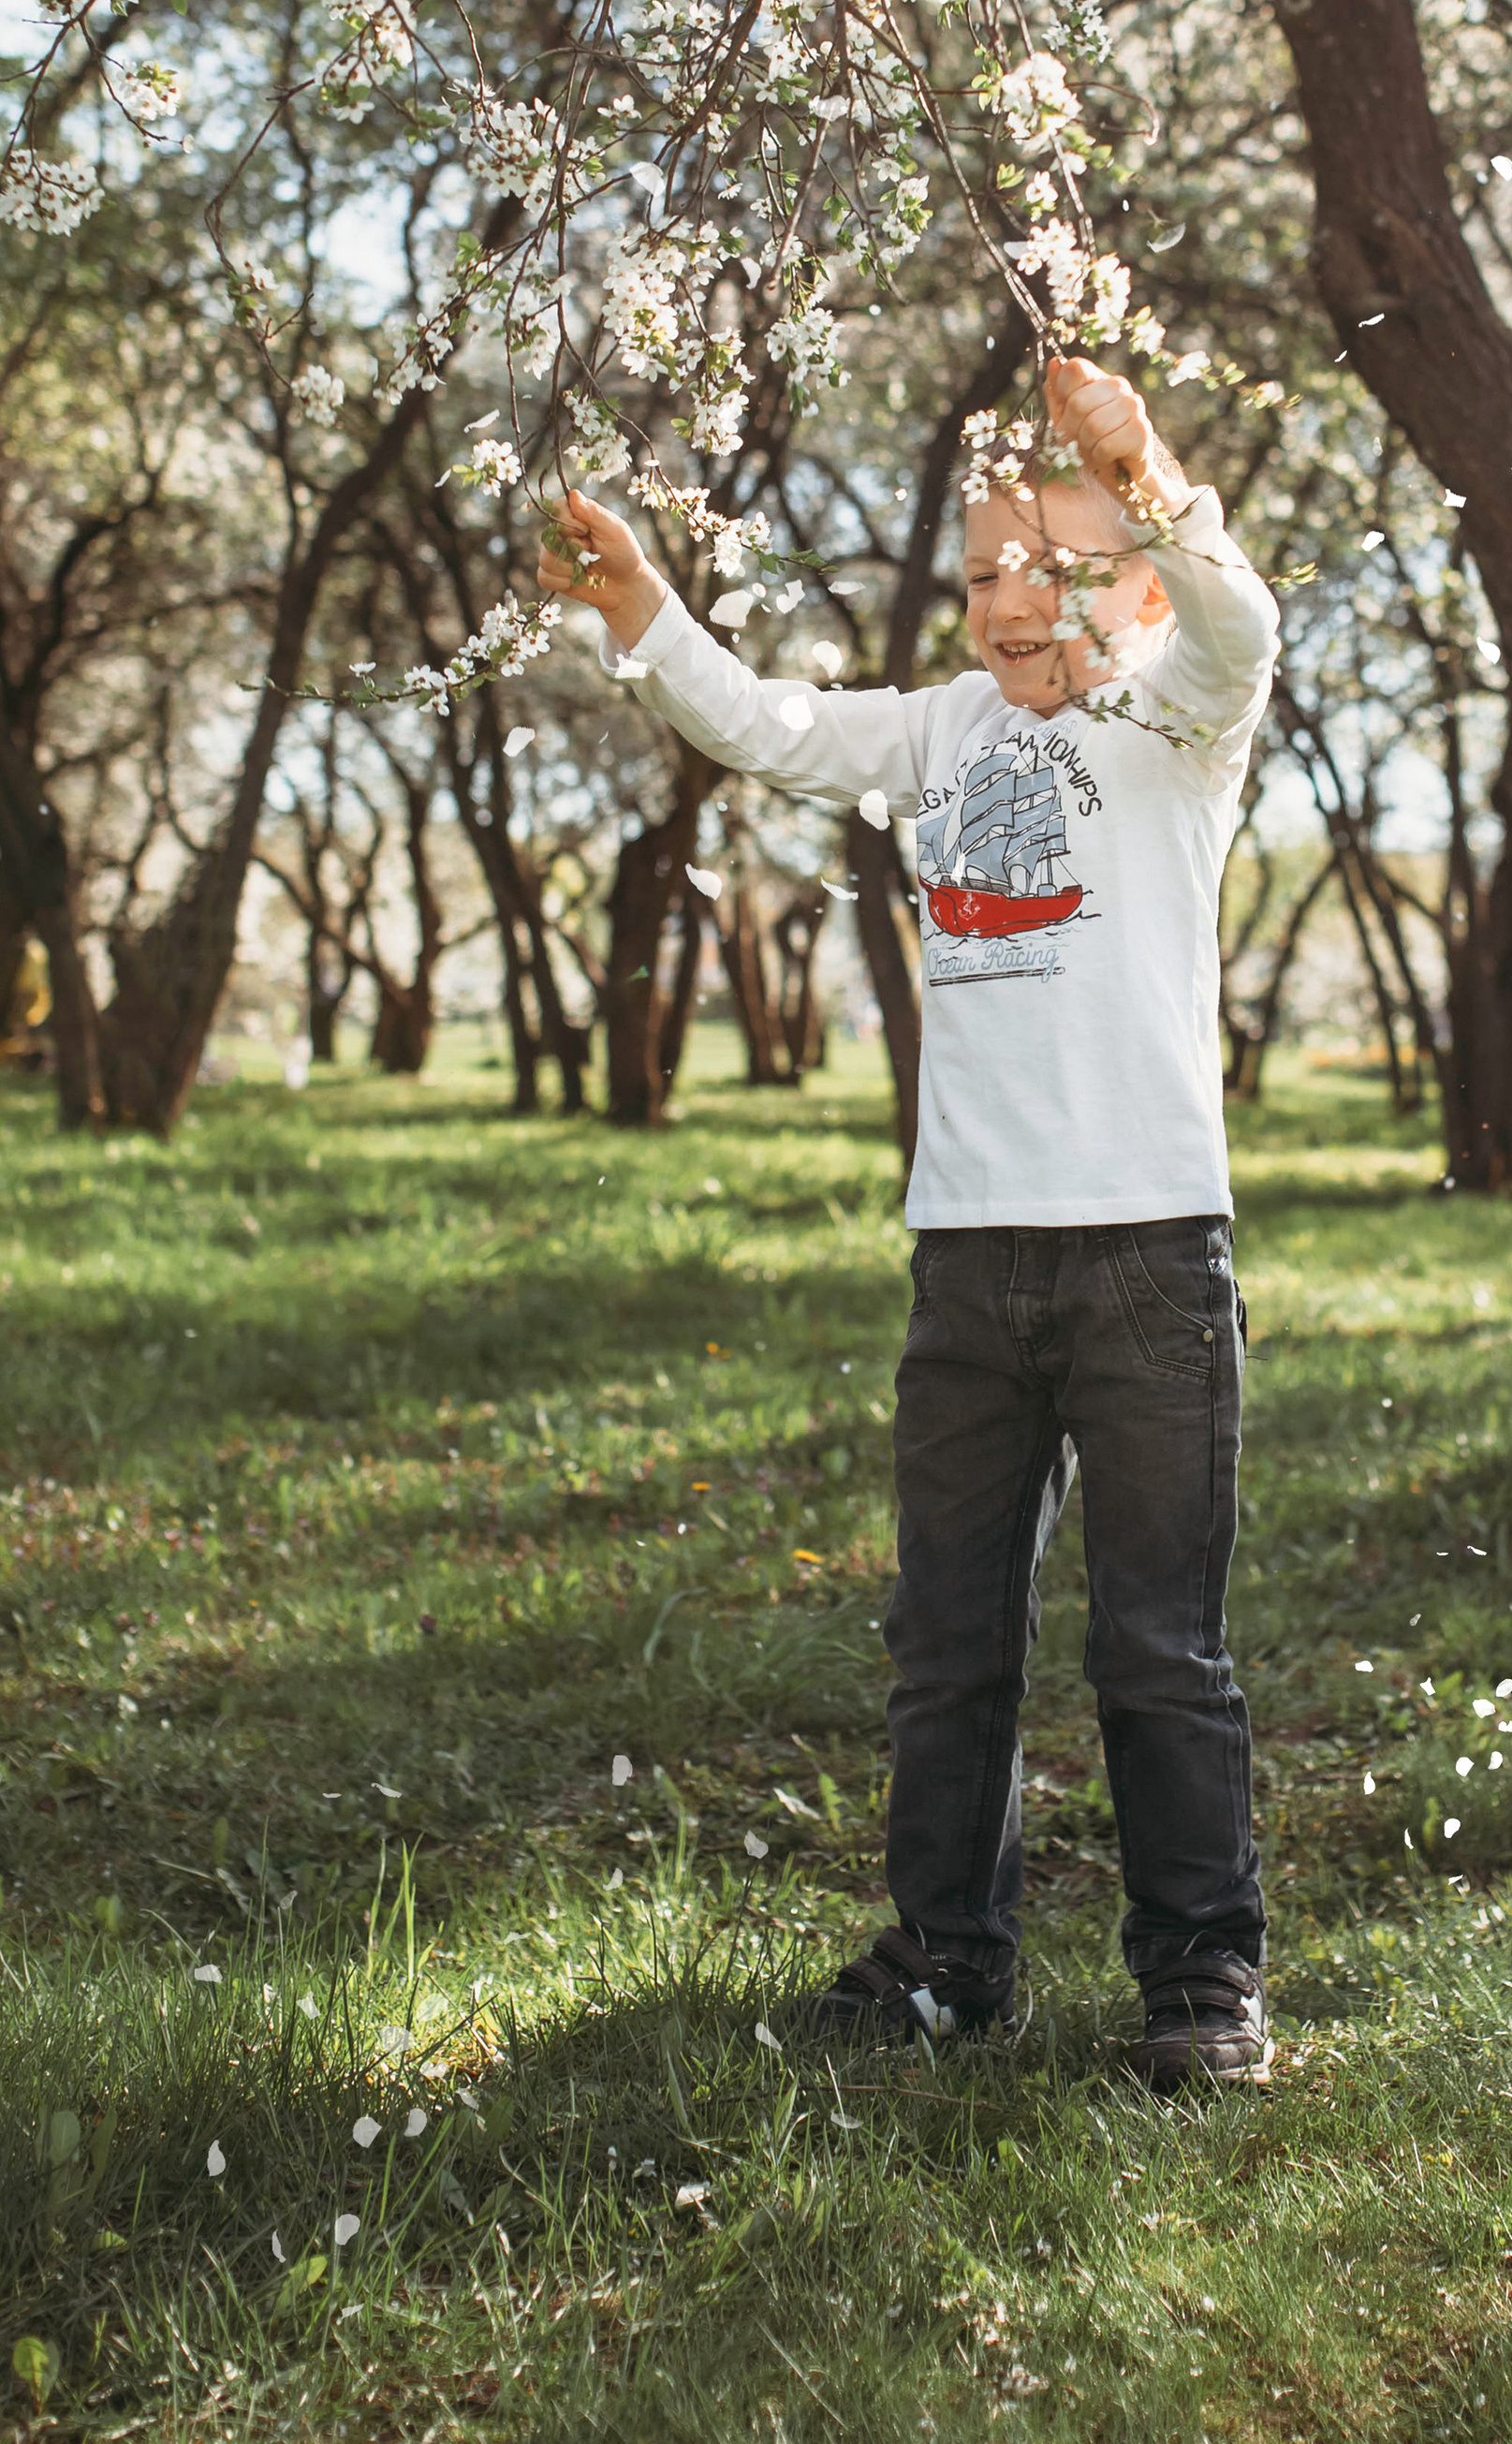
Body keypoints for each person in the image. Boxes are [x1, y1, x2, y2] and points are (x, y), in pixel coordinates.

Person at [536, 357, 1279, 2082]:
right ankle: (949, 1959)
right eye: (986, 576)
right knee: (951, 1649)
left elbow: (1242, 631)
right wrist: (644, 601)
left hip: (1150, 1257)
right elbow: (772, 727)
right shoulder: (944, 731)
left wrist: (1145, 467)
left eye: (1066, 568)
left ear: (1142, 590)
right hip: (969, 1263)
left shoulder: (1176, 720)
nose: (1018, 602)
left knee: (1159, 1647)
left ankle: (1202, 1984)